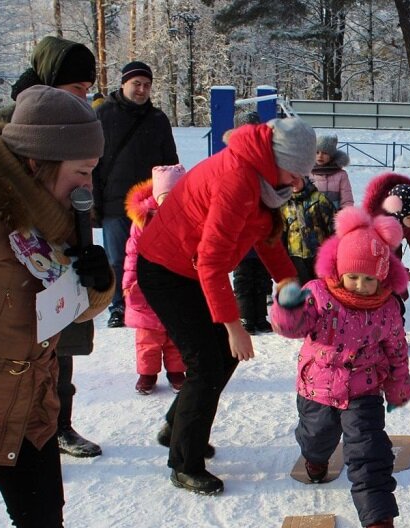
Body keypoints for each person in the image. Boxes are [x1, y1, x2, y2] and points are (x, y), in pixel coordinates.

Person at [0, 85, 113, 528]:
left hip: (29, 397)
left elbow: (67, 304)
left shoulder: (59, 214)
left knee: (39, 518)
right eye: (80, 170)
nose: (86, 184)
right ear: (39, 161)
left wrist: (98, 283)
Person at [136, 117, 315, 495]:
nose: (299, 183)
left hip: (193, 270)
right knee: (207, 362)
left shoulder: (264, 181)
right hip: (167, 269)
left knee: (224, 358)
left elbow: (266, 237)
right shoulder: (238, 180)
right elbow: (212, 262)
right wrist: (234, 326)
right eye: (296, 173)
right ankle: (185, 462)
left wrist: (287, 281)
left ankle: (178, 427)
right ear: (277, 159)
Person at [270, 207, 410, 528]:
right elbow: (294, 328)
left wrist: (398, 384)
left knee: (369, 453)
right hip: (317, 388)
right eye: (353, 277)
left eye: (369, 279)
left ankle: (379, 522)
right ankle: (315, 459)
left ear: (382, 278)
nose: (361, 286)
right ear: (338, 269)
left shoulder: (387, 308)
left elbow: (396, 348)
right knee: (317, 437)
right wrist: (286, 309)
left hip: (363, 391)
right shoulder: (318, 294)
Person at [0, 36, 103, 459]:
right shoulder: (13, 127)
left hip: (57, 260)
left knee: (59, 346)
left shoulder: (78, 129)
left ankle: (59, 424)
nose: (84, 97)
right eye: (77, 88)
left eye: (88, 90)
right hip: (8, 277)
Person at [94, 61, 179, 329]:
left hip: (149, 204)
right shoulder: (103, 115)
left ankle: (148, 301)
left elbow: (170, 163)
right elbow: (92, 164)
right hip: (114, 203)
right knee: (117, 258)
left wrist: (171, 199)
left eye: (147, 85)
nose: (142, 90)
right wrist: (94, 203)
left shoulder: (158, 119)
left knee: (150, 257)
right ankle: (118, 305)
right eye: (136, 84)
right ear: (123, 84)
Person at [123, 164, 188, 394]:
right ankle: (147, 373)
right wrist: (129, 284)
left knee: (175, 335)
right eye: (165, 197)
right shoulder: (143, 221)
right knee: (148, 337)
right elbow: (132, 254)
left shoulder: (188, 219)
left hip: (176, 286)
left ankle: (176, 370)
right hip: (146, 286)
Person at [362, 173, 410, 301]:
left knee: (396, 296)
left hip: (394, 256)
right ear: (397, 214)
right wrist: (398, 271)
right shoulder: (378, 223)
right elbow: (378, 254)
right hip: (371, 264)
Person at [280, 175, 335, 284]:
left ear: (303, 177)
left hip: (318, 253)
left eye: (296, 178)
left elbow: (333, 226)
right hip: (295, 255)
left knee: (321, 285)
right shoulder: (284, 205)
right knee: (303, 287)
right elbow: (282, 232)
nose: (293, 183)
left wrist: (332, 251)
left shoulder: (319, 199)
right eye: (289, 182)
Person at [309, 133, 353, 210]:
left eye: (325, 153)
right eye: (317, 152)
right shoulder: (307, 173)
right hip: (312, 217)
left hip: (334, 217)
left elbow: (347, 200)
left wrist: (344, 216)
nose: (320, 156)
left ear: (331, 156)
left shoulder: (341, 175)